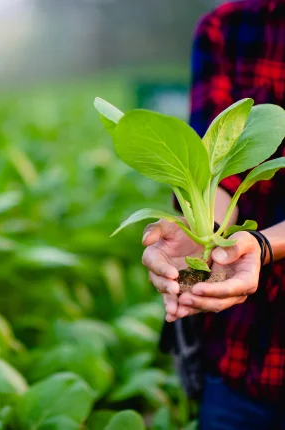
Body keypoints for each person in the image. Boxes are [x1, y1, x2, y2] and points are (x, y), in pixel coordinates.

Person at [141, 1, 285, 429]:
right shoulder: (228, 26)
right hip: (244, 356)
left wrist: (265, 245)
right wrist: (202, 242)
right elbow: (216, 172)